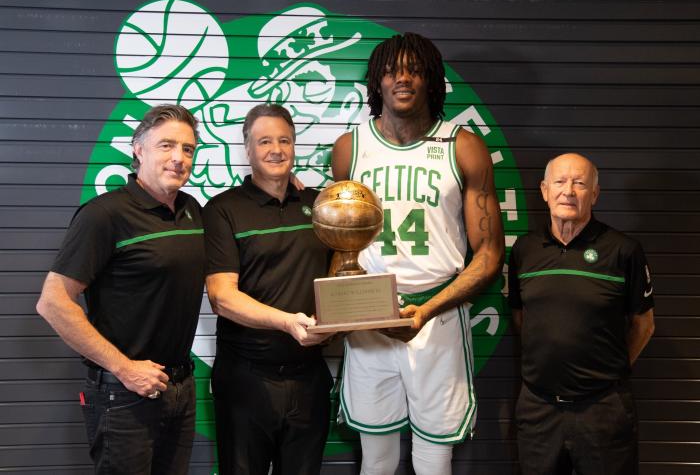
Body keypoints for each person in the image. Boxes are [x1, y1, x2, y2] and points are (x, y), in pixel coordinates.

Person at [332, 32, 505, 475]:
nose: (402, 79)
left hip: (437, 313)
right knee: (377, 459)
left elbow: (489, 253)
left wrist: (426, 310)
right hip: (370, 316)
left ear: (431, 80)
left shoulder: (462, 145)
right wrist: (338, 311)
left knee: (434, 458)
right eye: (391, 71)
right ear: (377, 82)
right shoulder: (350, 148)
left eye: (414, 70)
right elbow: (341, 245)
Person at [36, 104, 205, 474]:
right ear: (138, 149)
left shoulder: (192, 210)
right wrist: (124, 368)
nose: (178, 158)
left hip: (180, 388)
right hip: (124, 394)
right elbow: (52, 302)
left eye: (188, 148)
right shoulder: (105, 214)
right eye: (166, 145)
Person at [203, 103, 334, 475]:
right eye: (264, 141)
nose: (276, 149)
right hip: (246, 381)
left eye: (284, 140)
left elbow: (341, 276)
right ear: (247, 149)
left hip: (309, 377)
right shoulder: (222, 209)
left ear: (294, 146)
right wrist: (288, 322)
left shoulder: (320, 205)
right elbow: (222, 298)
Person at [508, 153, 655, 475]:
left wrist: (609, 372)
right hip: (538, 410)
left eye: (580, 183)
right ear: (544, 190)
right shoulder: (524, 250)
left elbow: (644, 325)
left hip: (603, 409)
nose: (568, 191)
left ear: (595, 193)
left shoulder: (623, 250)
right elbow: (521, 317)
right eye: (560, 182)